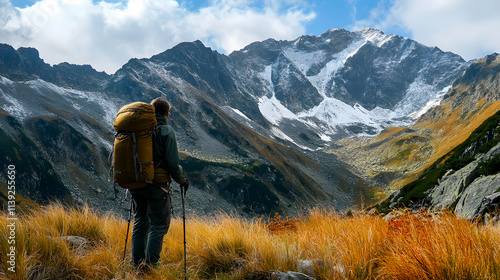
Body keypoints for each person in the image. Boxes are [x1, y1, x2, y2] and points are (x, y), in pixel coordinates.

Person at [129, 97, 189, 274]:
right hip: (157, 186)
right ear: (167, 113)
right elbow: (172, 163)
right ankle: (149, 268)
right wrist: (182, 179)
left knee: (140, 221)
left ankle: (136, 264)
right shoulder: (166, 131)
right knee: (158, 225)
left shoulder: (138, 130)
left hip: (136, 183)